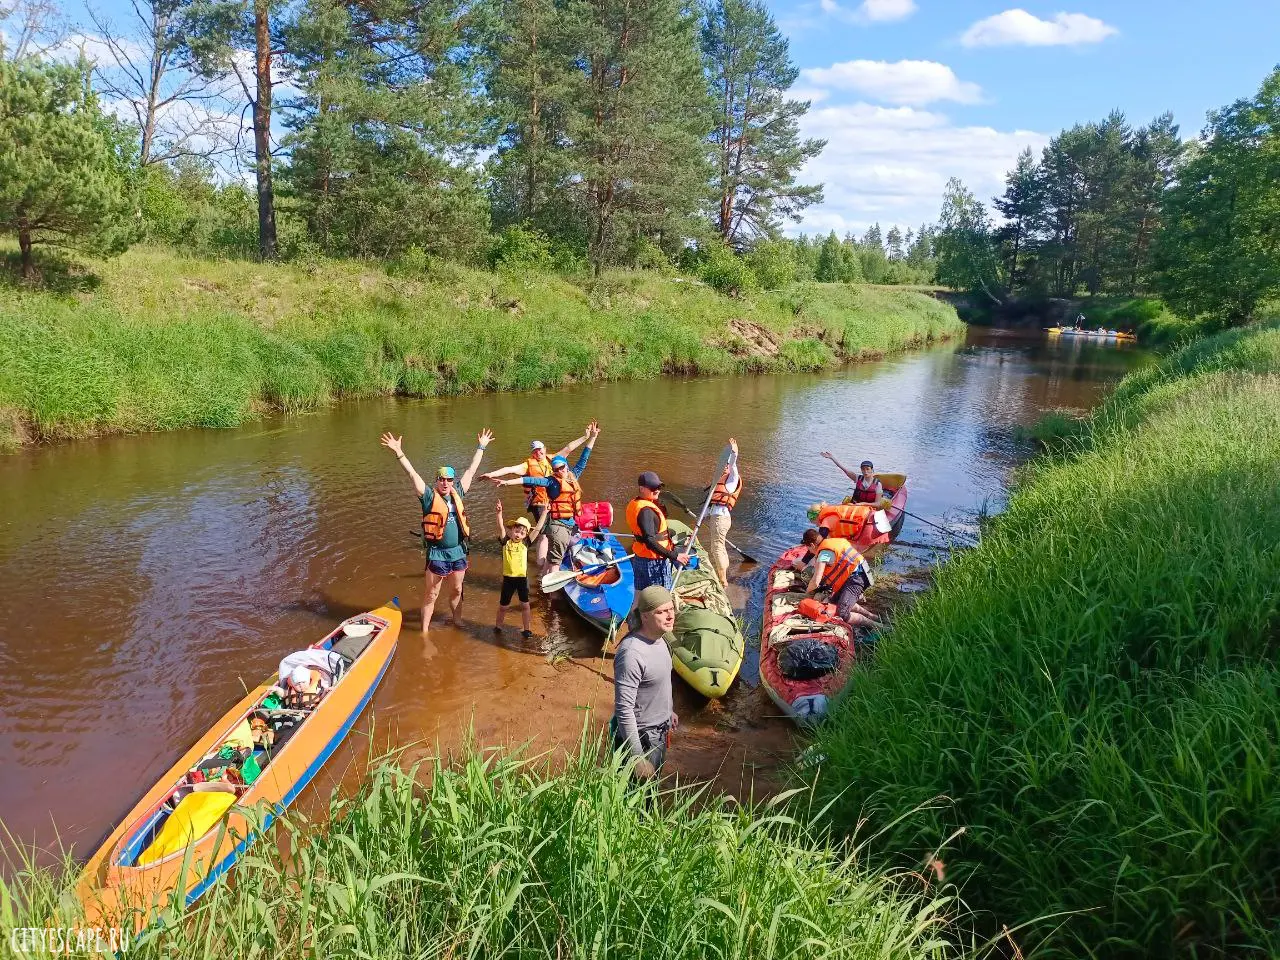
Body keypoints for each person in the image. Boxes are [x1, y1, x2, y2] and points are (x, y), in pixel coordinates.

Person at [380, 427, 493, 634]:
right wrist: (399, 452)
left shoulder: (458, 492)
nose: (446, 483)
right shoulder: (428, 497)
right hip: (437, 553)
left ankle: (457, 621)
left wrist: (481, 447)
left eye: (449, 479)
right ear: (437, 481)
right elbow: (412, 474)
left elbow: (471, 470)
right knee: (431, 593)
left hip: (458, 551)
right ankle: (424, 632)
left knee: (458, 589)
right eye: (442, 479)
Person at [481, 422, 598, 568]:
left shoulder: (554, 460)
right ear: (532, 453)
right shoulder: (529, 466)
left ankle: (554, 555)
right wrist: (494, 476)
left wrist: (587, 437)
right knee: (542, 533)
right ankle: (541, 562)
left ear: (545, 449)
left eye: (540, 449)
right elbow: (511, 469)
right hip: (540, 503)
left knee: (554, 533)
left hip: (556, 503)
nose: (538, 452)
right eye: (535, 451)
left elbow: (570, 449)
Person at [612, 585, 679, 782]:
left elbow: (660, 682)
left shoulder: (661, 639)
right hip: (641, 740)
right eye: (661, 611)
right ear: (645, 616)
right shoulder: (632, 653)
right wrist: (637, 757)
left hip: (659, 732)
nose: (670, 616)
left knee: (651, 793)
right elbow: (624, 710)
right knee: (638, 803)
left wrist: (669, 711)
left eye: (671, 609)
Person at [797, 528, 886, 631]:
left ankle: (879, 627)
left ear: (812, 545)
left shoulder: (824, 554)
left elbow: (816, 581)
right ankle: (872, 616)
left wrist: (807, 595)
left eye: (808, 548)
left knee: (842, 612)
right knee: (833, 604)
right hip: (859, 573)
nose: (809, 551)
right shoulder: (832, 541)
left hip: (858, 577)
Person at [625, 471, 690, 591]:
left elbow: (651, 534)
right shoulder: (646, 511)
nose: (657, 490)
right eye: (653, 487)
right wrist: (675, 556)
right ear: (642, 488)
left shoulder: (636, 503)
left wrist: (669, 534)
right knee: (661, 596)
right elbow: (650, 541)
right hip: (653, 562)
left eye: (659, 487)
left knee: (642, 594)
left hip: (640, 557)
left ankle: (638, 609)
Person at [495, 500, 547, 639]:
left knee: (525, 605)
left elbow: (538, 529)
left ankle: (527, 629)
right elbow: (500, 527)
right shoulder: (505, 541)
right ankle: (498, 626)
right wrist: (499, 513)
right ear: (511, 530)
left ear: (525, 535)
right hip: (508, 579)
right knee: (503, 606)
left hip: (522, 579)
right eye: (517, 531)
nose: (518, 534)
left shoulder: (525, 543)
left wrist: (545, 513)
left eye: (522, 533)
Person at [704, 438, 740, 588]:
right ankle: (723, 575)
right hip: (717, 516)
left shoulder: (731, 481)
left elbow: (733, 464)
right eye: (722, 466)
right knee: (718, 546)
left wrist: (733, 451)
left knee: (717, 547)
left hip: (721, 518)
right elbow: (710, 506)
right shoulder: (719, 481)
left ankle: (722, 580)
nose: (724, 468)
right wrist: (702, 518)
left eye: (726, 466)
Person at [807, 501, 876, 543]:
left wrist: (804, 561)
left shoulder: (826, 521)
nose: (816, 526)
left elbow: (820, 542)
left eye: (814, 522)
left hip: (868, 526)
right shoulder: (834, 509)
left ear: (815, 517)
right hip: (872, 514)